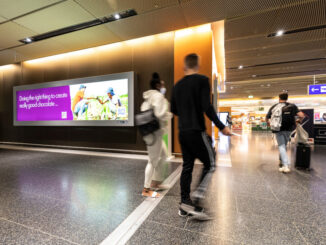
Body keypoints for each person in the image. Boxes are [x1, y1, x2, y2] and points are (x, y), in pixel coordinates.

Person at [171, 53, 232, 220]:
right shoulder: (202, 80)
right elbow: (207, 106)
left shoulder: (177, 86)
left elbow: (174, 110)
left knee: (187, 166)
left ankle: (184, 204)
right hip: (196, 131)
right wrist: (221, 127)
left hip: (182, 132)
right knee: (211, 163)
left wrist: (186, 109)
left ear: (185, 67)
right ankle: (197, 199)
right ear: (197, 65)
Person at [140, 73, 172, 198]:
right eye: (162, 84)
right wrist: (170, 114)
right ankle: (146, 189)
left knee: (163, 155)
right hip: (155, 133)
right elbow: (160, 114)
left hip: (150, 133)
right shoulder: (158, 96)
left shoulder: (148, 98)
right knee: (152, 161)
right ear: (158, 85)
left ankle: (156, 182)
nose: (164, 86)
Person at [266, 93, 305, 173]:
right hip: (289, 129)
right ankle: (281, 160)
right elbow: (301, 115)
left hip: (278, 129)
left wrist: (269, 124)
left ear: (279, 98)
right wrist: (298, 121)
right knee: (284, 145)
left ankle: (285, 165)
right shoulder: (292, 106)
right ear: (287, 98)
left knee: (281, 146)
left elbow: (267, 117)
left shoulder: (274, 106)